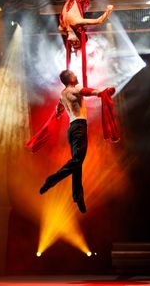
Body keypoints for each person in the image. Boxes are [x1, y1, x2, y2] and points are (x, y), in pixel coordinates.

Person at [39, 69, 101, 213]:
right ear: (70, 79)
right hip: (79, 127)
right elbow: (87, 91)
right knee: (77, 161)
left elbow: (59, 108)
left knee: (77, 164)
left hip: (72, 129)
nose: (77, 75)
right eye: (74, 74)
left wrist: (58, 111)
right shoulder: (76, 88)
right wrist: (102, 93)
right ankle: (52, 180)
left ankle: (78, 196)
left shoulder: (62, 94)